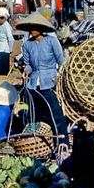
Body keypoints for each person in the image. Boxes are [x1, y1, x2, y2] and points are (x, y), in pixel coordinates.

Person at [18, 12, 67, 140]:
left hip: (49, 81)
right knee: (36, 113)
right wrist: (26, 71)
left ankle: (62, 141)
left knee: (55, 114)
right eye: (31, 28)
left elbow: (61, 61)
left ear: (41, 29)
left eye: (35, 28)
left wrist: (59, 77)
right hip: (34, 84)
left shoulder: (51, 41)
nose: (32, 31)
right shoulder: (27, 44)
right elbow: (28, 64)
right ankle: (39, 141)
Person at [0, 7, 14, 75]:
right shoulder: (0, 26)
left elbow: (11, 39)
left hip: (4, 51)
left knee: (2, 71)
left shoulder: (6, 26)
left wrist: (10, 50)